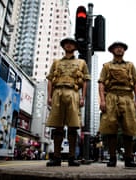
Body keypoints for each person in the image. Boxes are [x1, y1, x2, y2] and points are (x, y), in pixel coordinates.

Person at [45, 38, 90, 166]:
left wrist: (83, 98)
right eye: (66, 43)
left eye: (71, 43)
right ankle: (57, 157)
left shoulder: (81, 62)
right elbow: (49, 80)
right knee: (57, 126)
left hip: (73, 93)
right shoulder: (56, 62)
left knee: (73, 126)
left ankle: (71, 157)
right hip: (57, 92)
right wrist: (49, 96)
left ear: (75, 47)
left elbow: (86, 81)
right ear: (63, 46)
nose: (68, 45)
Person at [98, 41, 136, 168]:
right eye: (116, 48)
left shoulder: (130, 65)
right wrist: (102, 100)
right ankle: (112, 158)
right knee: (111, 129)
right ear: (112, 50)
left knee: (129, 128)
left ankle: (128, 158)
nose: (119, 49)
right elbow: (101, 84)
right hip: (111, 96)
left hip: (127, 96)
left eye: (121, 48)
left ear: (124, 50)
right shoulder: (106, 66)